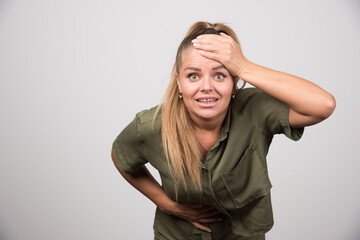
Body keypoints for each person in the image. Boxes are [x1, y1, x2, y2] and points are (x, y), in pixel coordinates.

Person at [111, 21, 336, 240]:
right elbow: (121, 157)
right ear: (179, 83)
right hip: (175, 235)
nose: (206, 86)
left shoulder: (254, 110)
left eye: (220, 75)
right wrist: (166, 203)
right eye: (193, 76)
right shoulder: (151, 125)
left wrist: (243, 65)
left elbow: (323, 105)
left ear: (234, 81)